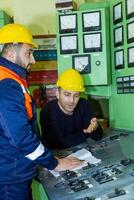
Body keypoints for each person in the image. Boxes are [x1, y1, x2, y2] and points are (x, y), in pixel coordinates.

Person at [0, 23, 83, 200]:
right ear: (11, 54)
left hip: (14, 171)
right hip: (9, 179)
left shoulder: (13, 79)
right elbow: (20, 136)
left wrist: (43, 159)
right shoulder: (6, 85)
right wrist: (53, 163)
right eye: (28, 53)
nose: (33, 60)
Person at [40, 68, 103, 150]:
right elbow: (57, 143)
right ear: (58, 94)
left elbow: (98, 136)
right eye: (67, 94)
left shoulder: (84, 105)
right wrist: (85, 133)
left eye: (76, 95)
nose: (71, 101)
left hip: (82, 152)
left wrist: (96, 127)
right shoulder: (47, 111)